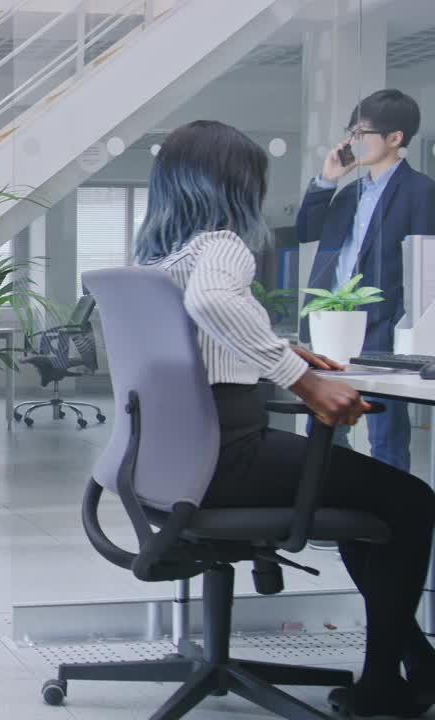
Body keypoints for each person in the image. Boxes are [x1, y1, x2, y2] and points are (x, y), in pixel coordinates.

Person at [137, 120, 435, 717]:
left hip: (175, 465)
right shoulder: (222, 243)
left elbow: (201, 331)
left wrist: (275, 347)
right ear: (232, 185)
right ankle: (385, 686)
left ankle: (419, 665)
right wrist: (301, 378)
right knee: (412, 502)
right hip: (230, 455)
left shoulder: (161, 258)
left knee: (368, 509)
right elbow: (214, 302)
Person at [298, 89, 435, 472]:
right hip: (333, 328)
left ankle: (394, 522)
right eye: (351, 132)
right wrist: (326, 180)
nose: (352, 141)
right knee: (323, 429)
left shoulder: (421, 191)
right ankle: (328, 512)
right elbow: (306, 230)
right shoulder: (347, 194)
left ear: (395, 139)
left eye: (362, 133)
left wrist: (408, 329)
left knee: (386, 434)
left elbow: (426, 268)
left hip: (382, 329)